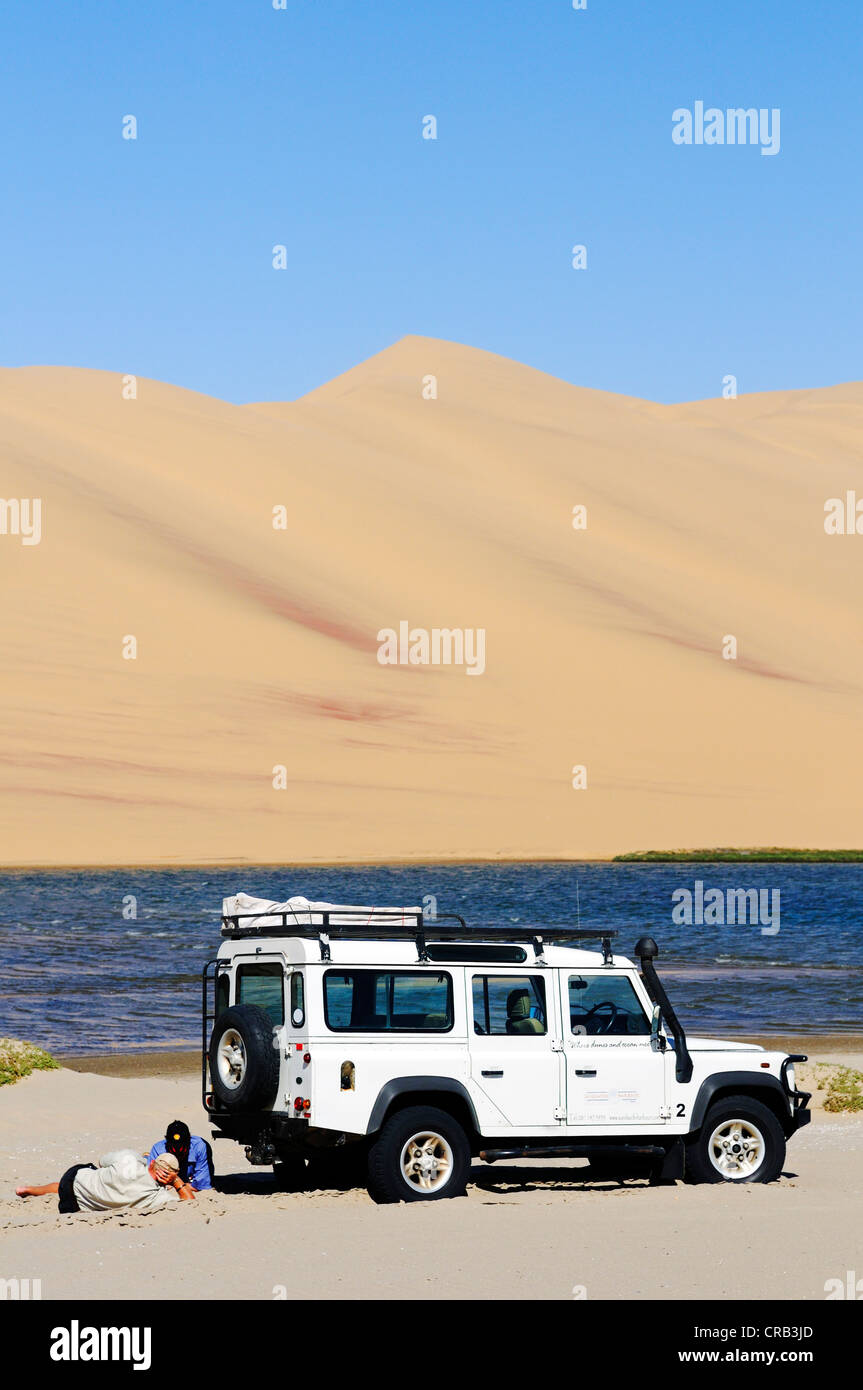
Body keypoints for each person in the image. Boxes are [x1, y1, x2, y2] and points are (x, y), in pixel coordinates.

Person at [16, 1149, 195, 1214]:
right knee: (64, 1191)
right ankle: (30, 1189)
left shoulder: (129, 1158)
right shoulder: (156, 1197)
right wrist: (177, 1182)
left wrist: (140, 1160)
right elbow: (189, 1203)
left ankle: (29, 1188)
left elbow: (102, 1161)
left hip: (75, 1176)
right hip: (74, 1203)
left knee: (66, 1185)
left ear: (153, 1163)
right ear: (171, 1177)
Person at [148, 1120, 213, 1191]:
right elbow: (150, 1181)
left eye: (182, 1152)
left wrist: (174, 1182)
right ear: (166, 1142)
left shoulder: (200, 1147)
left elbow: (201, 1185)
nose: (178, 1157)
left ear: (190, 1141)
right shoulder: (158, 1149)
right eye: (174, 1152)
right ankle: (147, 1157)